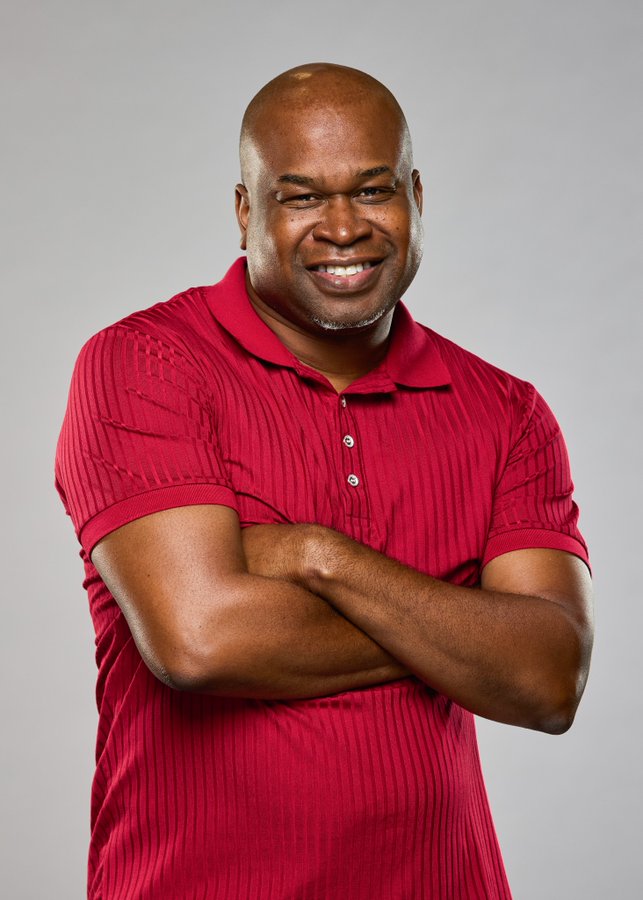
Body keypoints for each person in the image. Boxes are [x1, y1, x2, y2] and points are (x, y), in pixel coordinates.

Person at [55, 62, 593, 900]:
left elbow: (549, 677)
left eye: (372, 190)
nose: (342, 227)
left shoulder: (506, 412)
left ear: (415, 197)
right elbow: (199, 640)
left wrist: (317, 556)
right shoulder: (144, 365)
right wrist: (461, 630)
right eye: (300, 197)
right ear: (245, 211)